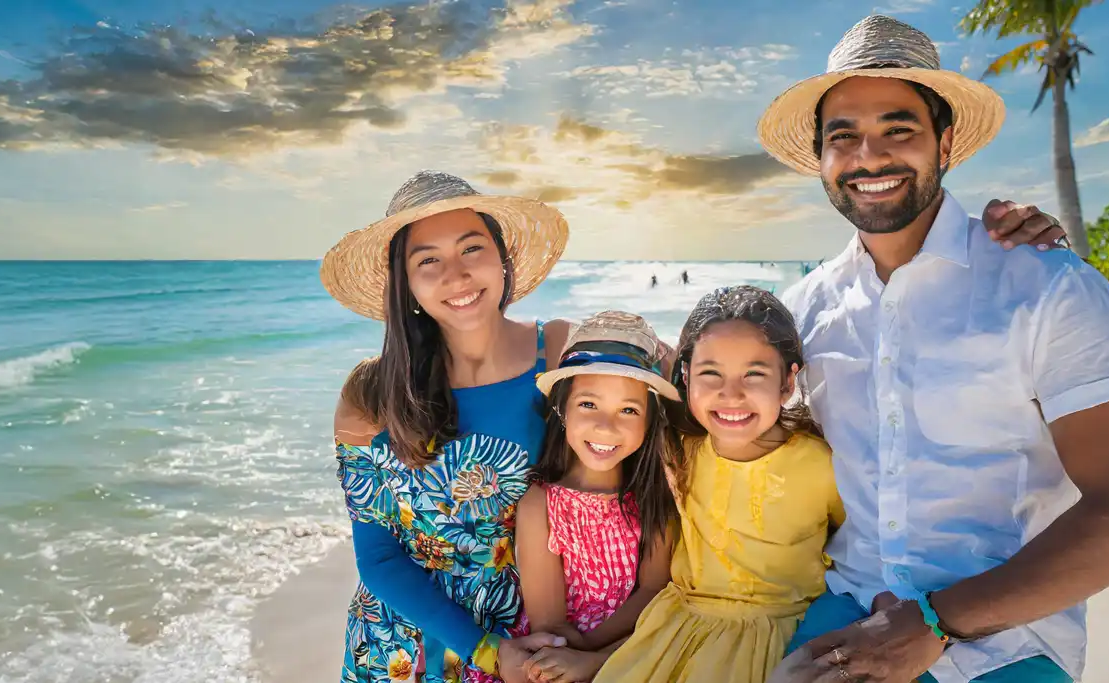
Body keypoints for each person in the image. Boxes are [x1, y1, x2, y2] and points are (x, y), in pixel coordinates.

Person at [763, 15, 1109, 683]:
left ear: (946, 141)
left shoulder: (1045, 285)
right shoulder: (804, 312)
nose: (869, 157)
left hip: (1008, 643)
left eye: (899, 129)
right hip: (838, 620)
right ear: (820, 158)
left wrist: (933, 620)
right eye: (844, 137)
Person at [323, 170, 574, 683]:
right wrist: (486, 651)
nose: (455, 275)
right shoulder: (368, 395)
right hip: (399, 646)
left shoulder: (563, 354)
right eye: (428, 260)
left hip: (533, 632)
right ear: (407, 283)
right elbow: (377, 557)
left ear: (503, 259)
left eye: (472, 248)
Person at [594, 286, 845, 683]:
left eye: (754, 374)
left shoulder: (822, 463)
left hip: (781, 642)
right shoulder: (678, 449)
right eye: (711, 373)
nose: (731, 394)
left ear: (787, 382)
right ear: (686, 375)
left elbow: (857, 549)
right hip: (676, 632)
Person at [505, 311, 682, 683]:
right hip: (555, 647)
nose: (607, 425)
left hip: (630, 643)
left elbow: (654, 589)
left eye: (629, 410)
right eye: (589, 404)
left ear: (649, 421)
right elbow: (549, 621)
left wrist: (591, 655)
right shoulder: (540, 502)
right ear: (562, 409)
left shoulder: (655, 495)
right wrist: (569, 654)